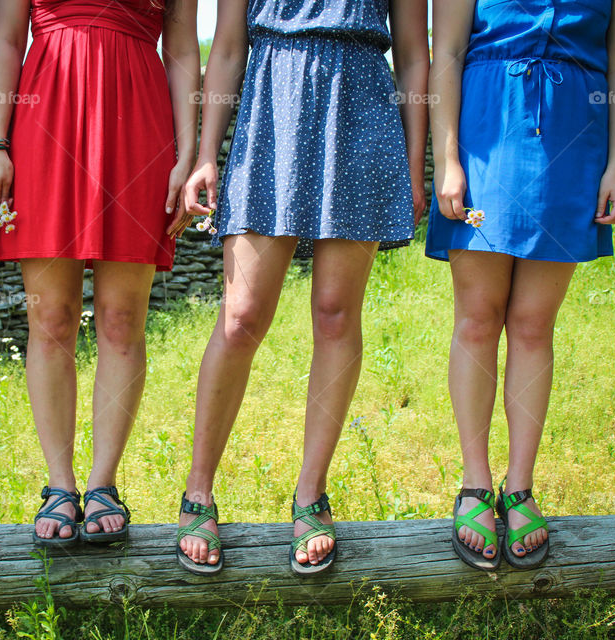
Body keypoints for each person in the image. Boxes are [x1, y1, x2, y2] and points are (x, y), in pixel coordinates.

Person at [176, 0, 429, 574]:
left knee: (336, 315)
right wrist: (204, 153)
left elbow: (415, 56)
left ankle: (310, 494)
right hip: (272, 105)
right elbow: (229, 46)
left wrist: (414, 166)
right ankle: (198, 491)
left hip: (362, 109)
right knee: (240, 317)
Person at [428, 0, 615, 570]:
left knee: (533, 324)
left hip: (576, 137)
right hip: (483, 132)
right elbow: (445, 51)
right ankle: (475, 485)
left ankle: (519, 486)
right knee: (478, 317)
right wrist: (446, 157)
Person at [0, 0, 199, 545]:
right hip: (45, 112)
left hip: (139, 120)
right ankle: (59, 485)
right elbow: (7, 39)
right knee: (50, 318)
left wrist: (188, 151)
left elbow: (180, 49)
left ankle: (104, 483)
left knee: (122, 319)